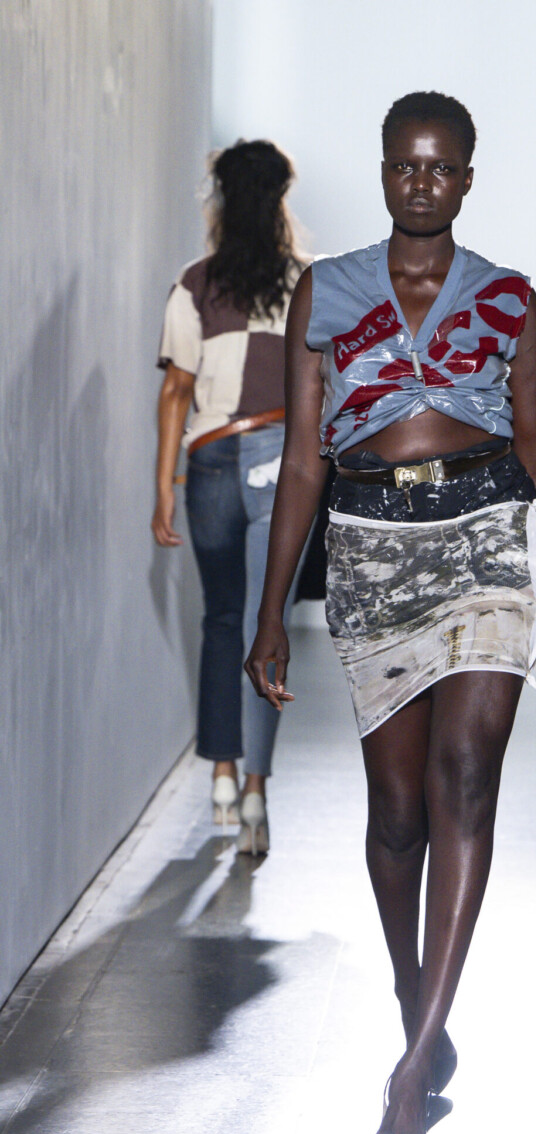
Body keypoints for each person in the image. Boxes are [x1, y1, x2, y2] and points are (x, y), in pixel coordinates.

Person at [244, 91, 536, 1134]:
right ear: (385, 169)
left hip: (486, 538)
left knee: (464, 784)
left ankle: (410, 1069)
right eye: (405, 165)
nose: (421, 183)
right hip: (369, 550)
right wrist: (270, 612)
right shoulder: (327, 290)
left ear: (467, 178)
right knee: (396, 818)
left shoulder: (510, 299)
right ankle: (414, 1001)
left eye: (441, 167)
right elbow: (305, 459)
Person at [151, 139, 302, 856]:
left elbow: (175, 390)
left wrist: (163, 487)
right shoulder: (306, 282)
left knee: (219, 619)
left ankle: (220, 772)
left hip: (209, 461)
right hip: (278, 460)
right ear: (279, 201)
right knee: (265, 627)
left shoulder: (195, 283)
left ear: (220, 201)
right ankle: (256, 793)